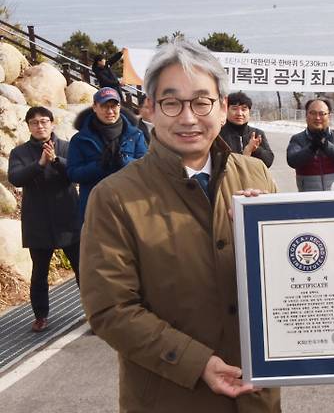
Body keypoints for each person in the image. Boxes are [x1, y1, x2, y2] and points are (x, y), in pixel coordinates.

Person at [78, 40, 280, 412]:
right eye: (172, 103)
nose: (188, 118)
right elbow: (111, 309)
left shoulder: (255, 174)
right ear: (150, 109)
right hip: (169, 398)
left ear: (222, 108)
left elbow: (287, 283)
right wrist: (197, 363)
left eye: (202, 102)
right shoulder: (115, 197)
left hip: (258, 398)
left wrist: (279, 234)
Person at [8, 106, 81, 333]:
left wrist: (56, 160)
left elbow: (77, 173)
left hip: (68, 217)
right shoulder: (19, 153)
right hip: (37, 219)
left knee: (83, 269)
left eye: (44, 121)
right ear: (28, 126)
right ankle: (41, 316)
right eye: (35, 122)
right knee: (39, 272)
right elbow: (16, 178)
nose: (40, 126)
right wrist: (40, 164)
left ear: (52, 123)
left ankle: (94, 311)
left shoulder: (68, 147)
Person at [66, 87, 147, 222]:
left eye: (113, 106)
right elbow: (73, 173)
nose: (110, 111)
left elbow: (146, 168)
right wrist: (98, 166)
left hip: (129, 205)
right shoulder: (80, 139)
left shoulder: (135, 135)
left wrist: (124, 161)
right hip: (95, 206)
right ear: (94, 107)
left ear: (120, 107)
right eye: (104, 106)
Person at [286, 98, 334, 191]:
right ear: (306, 116)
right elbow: (292, 160)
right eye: (313, 113)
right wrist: (312, 148)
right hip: (310, 197)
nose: (317, 118)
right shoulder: (297, 139)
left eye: (322, 114)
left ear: (329, 116)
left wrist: (325, 145)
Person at [219, 91, 274, 167]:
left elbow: (268, 162)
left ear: (249, 112)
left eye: (244, 109)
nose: (239, 113)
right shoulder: (218, 133)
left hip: (252, 177)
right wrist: (247, 152)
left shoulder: (257, 134)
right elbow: (217, 163)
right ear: (226, 110)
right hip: (227, 178)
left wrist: (256, 150)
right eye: (234, 109)